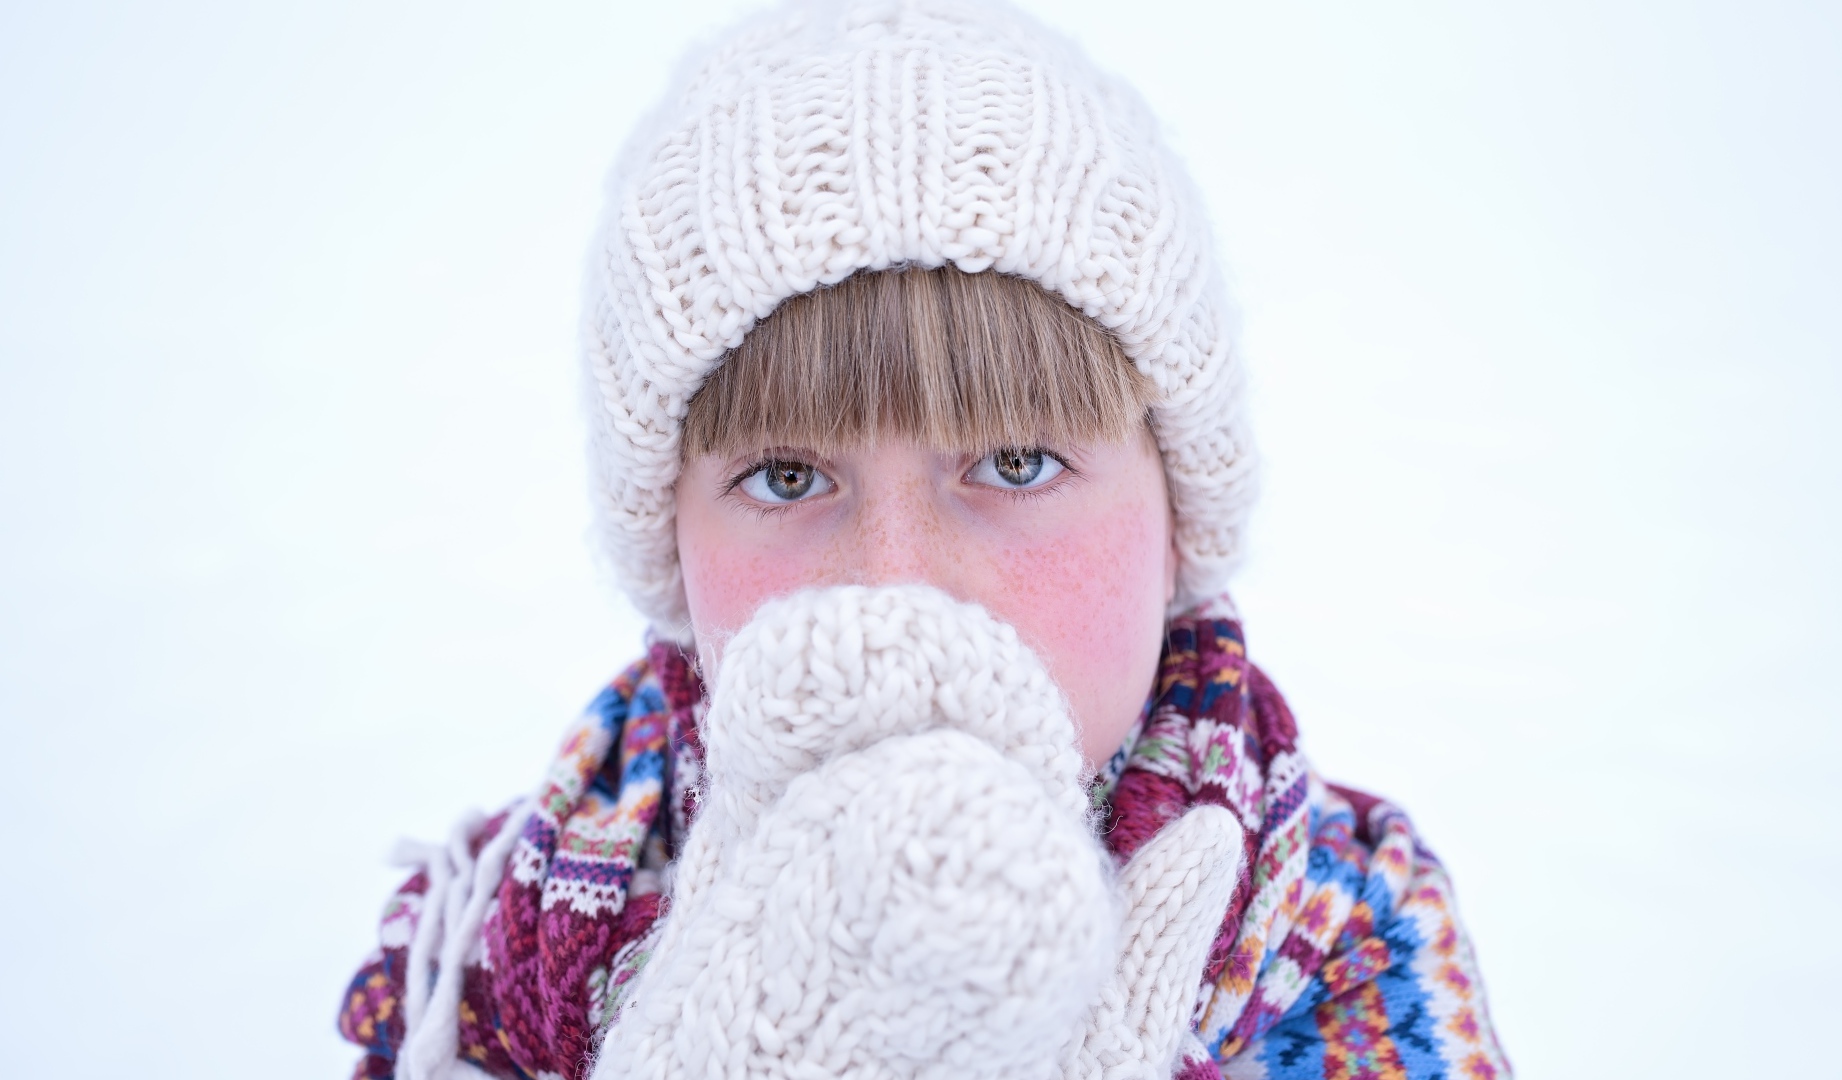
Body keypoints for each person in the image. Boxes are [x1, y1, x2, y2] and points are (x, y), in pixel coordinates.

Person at [337, 1, 1509, 1077]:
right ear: (674, 557)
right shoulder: (488, 960)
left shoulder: (1351, 929)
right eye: (788, 477)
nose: (899, 586)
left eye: (1017, 463)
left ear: (1176, 527)